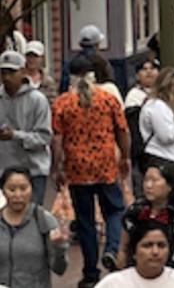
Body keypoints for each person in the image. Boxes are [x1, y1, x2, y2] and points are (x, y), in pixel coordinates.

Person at [51, 52, 129, 284]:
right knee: (114, 210)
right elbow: (122, 131)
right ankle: (112, 250)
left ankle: (90, 273)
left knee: (85, 222)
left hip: (77, 170)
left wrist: (57, 168)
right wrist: (124, 157)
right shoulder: (107, 99)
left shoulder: (62, 103)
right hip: (105, 165)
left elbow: (56, 139)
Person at [0, 165, 66, 286]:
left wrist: (58, 247)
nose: (18, 195)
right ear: (3, 191)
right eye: (12, 189)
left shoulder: (44, 220)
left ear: (31, 189)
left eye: (23, 188)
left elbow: (59, 269)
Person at [0, 51, 49, 201]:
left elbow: (44, 137)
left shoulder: (37, 100)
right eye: (3, 72)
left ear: (22, 71)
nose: (7, 77)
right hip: (3, 171)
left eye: (12, 72)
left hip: (32, 170)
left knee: (31, 218)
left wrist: (15, 135)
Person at [100, 219, 174, 288]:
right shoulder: (113, 283)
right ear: (134, 252)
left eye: (161, 245)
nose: (155, 252)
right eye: (147, 245)